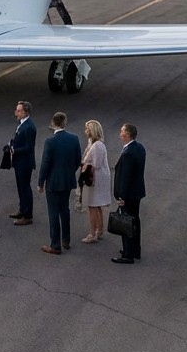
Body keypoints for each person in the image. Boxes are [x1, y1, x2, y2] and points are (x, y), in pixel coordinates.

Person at [36, 112, 82, 255]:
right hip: (67, 180)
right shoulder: (74, 139)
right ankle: (66, 239)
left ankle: (55, 244)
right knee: (65, 209)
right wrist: (69, 172)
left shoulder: (50, 141)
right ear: (65, 122)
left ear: (53, 123)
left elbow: (46, 163)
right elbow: (77, 160)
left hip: (54, 182)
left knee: (53, 212)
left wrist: (41, 182)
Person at [111, 123, 147, 264]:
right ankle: (135, 250)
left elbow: (126, 177)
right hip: (137, 192)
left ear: (127, 135)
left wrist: (121, 196)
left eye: (122, 131)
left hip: (129, 194)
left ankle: (128, 254)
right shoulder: (139, 148)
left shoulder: (128, 153)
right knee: (135, 220)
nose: (120, 134)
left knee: (126, 223)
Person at [79, 120, 112, 244]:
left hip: (95, 179)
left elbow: (96, 164)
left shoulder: (97, 145)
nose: (85, 131)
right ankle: (99, 230)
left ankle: (92, 233)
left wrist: (85, 163)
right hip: (97, 178)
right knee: (95, 205)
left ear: (93, 130)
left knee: (92, 205)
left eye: (87, 129)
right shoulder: (93, 143)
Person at [9, 101, 37, 226]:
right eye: (16, 110)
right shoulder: (21, 124)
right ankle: (22, 209)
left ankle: (27, 215)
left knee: (25, 188)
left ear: (26, 112)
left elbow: (29, 147)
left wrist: (15, 150)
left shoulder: (29, 127)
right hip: (19, 161)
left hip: (25, 162)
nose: (16, 112)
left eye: (19, 111)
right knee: (20, 187)